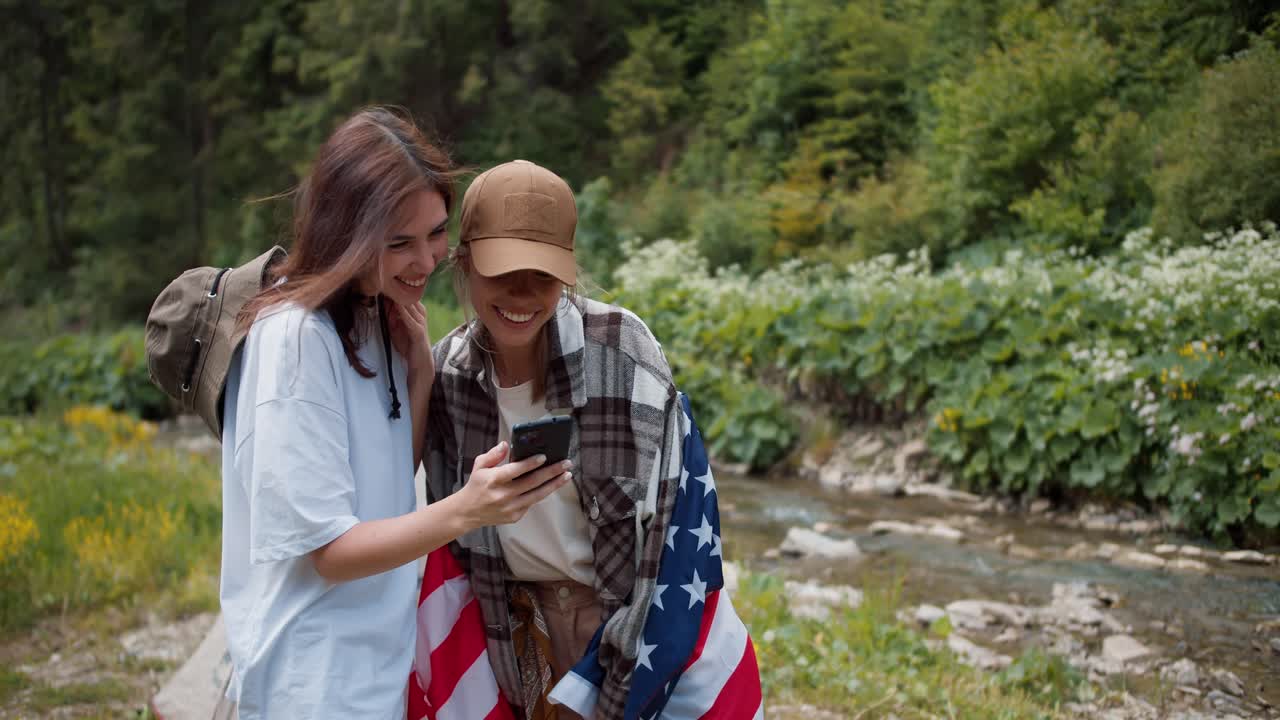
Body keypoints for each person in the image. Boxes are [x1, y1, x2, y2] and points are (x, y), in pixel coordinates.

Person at [217, 110, 571, 719]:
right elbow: (329, 550)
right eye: (398, 243)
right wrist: (467, 508)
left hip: (378, 668)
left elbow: (375, 499)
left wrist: (420, 379)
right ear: (344, 236)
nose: (426, 260)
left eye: (435, 233)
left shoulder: (380, 318)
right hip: (311, 681)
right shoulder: (294, 339)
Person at [425, 160, 685, 720]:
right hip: (505, 633)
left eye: (542, 275)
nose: (522, 294)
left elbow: (668, 531)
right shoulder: (443, 375)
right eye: (502, 272)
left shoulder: (622, 352)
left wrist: (617, 688)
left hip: (621, 629)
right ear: (464, 262)